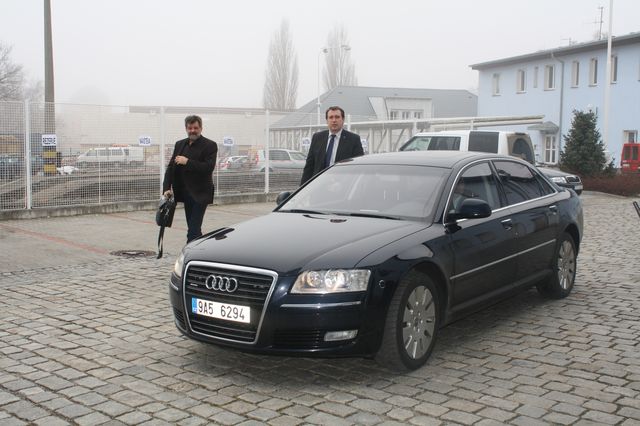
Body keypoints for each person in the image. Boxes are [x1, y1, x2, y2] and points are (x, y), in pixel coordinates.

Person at [163, 115, 218, 242]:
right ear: (186, 128)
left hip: (200, 194)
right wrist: (166, 187)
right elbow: (171, 168)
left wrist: (187, 162)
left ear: (201, 128)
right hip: (186, 194)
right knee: (194, 229)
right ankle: (200, 249)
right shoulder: (180, 144)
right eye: (190, 128)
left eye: (195, 128)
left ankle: (189, 252)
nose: (193, 130)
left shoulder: (210, 145)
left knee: (192, 231)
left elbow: (208, 167)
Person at [300, 106, 364, 185]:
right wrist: (302, 188)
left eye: (337, 117)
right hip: (318, 186)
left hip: (343, 186)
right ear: (327, 120)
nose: (334, 120)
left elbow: (358, 167)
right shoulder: (317, 138)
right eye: (331, 117)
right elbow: (309, 166)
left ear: (343, 119)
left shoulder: (353, 140)